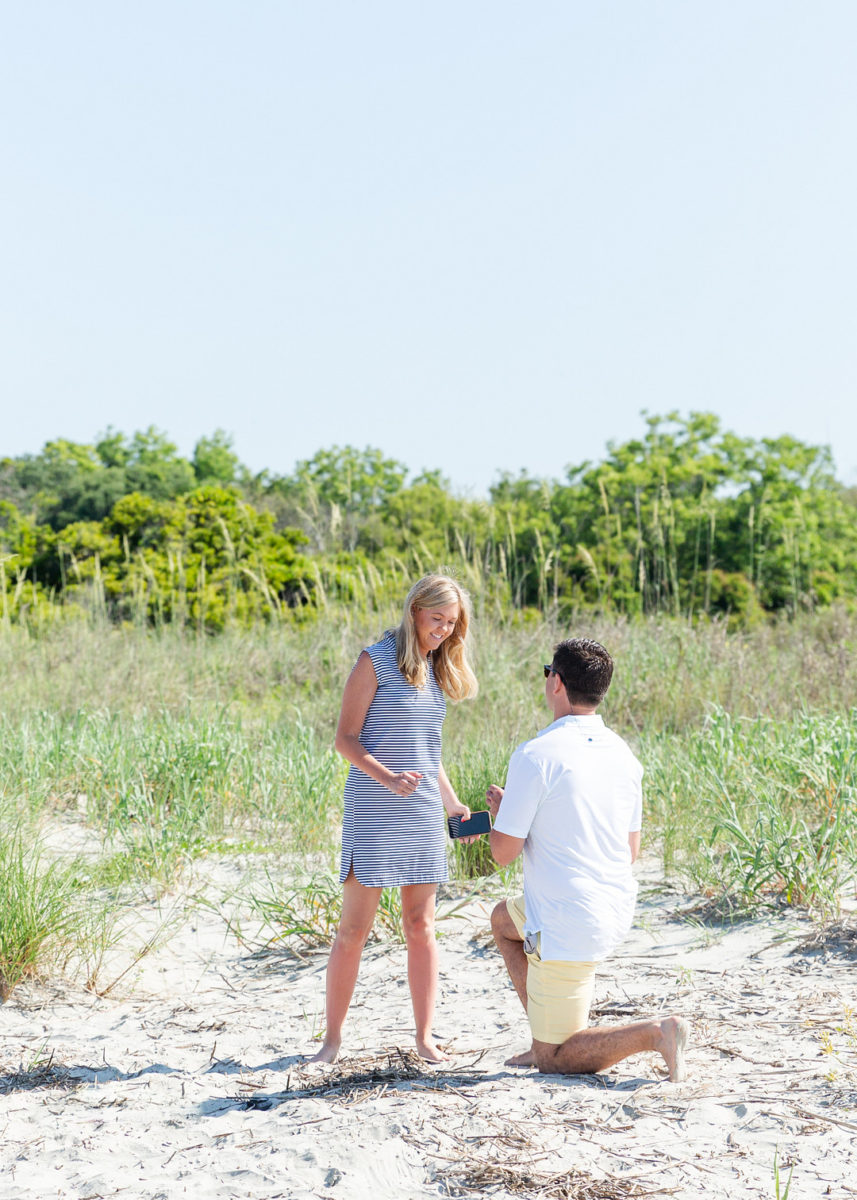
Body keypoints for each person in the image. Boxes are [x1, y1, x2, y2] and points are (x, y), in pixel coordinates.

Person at [485, 638, 689, 1081]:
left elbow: (502, 854)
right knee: (504, 921)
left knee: (554, 1060)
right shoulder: (623, 753)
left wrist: (503, 819)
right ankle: (545, 1030)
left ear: (555, 682)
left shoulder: (536, 755)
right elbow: (629, 850)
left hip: (566, 922)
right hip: (613, 908)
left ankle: (655, 1033)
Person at [310, 574, 479, 1064]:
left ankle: (425, 1038)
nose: (445, 630)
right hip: (375, 811)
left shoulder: (433, 672)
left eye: (452, 623)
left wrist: (451, 803)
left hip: (422, 814)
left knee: (420, 926)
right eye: (437, 620)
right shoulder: (375, 661)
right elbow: (345, 740)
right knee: (353, 931)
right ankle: (332, 1041)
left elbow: (429, 754)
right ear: (414, 613)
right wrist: (387, 778)